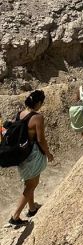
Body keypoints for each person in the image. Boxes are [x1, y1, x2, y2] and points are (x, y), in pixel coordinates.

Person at [9, 90, 53, 228]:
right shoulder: (37, 117)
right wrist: (48, 153)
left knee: (29, 182)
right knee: (32, 185)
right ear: (39, 103)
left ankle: (32, 208)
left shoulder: (20, 114)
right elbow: (40, 139)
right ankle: (15, 216)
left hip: (21, 153)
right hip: (32, 154)